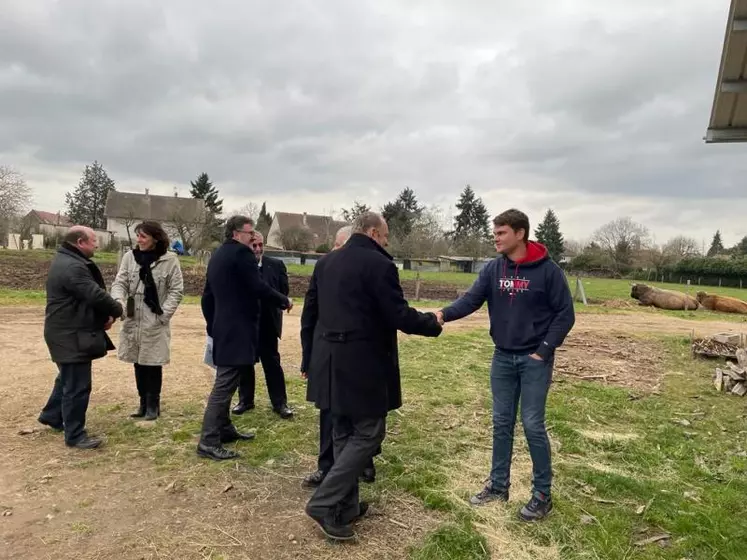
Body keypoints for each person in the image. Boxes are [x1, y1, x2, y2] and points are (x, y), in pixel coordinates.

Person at [303, 212, 442, 541]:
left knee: (342, 432)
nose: (386, 243)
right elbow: (396, 314)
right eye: (385, 237)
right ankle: (324, 502)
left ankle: (345, 507)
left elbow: (316, 313)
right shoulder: (379, 265)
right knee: (369, 432)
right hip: (362, 362)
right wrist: (431, 323)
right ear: (373, 231)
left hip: (331, 360)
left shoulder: (326, 264)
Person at [435, 208, 575, 522]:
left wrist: (543, 351)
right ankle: (498, 486)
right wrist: (443, 314)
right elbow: (471, 300)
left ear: (520, 233)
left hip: (534, 360)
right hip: (502, 357)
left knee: (532, 425)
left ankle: (542, 495)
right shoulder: (493, 269)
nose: (495, 238)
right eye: (495, 232)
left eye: (501, 233)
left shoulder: (549, 272)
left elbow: (565, 315)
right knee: (501, 423)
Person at [197, 216, 293, 461]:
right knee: (224, 385)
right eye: (250, 233)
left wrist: (213, 324)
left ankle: (225, 429)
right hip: (238, 329)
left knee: (228, 379)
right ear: (236, 233)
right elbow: (258, 287)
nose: (253, 237)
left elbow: (207, 297)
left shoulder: (218, 255)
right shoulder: (242, 255)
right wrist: (284, 300)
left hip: (224, 328)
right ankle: (208, 441)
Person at [300, 225, 377, 488]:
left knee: (361, 412)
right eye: (337, 247)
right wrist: (307, 357)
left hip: (358, 354)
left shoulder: (365, 268)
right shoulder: (324, 268)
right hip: (326, 352)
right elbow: (309, 313)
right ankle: (326, 466)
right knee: (328, 413)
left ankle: (362, 463)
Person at [38, 226, 124, 449]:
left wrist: (102, 316)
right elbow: (93, 294)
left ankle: (52, 415)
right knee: (77, 386)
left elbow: (84, 299)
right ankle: (75, 435)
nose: (97, 244)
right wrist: (118, 310)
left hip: (65, 331)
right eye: (94, 240)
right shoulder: (73, 267)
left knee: (67, 378)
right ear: (80, 242)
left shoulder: (67, 260)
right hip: (70, 334)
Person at [111, 221, 184, 421]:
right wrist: (119, 303)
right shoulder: (129, 258)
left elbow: (176, 290)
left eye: (143, 236)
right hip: (134, 318)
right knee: (138, 362)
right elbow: (120, 283)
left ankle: (154, 405)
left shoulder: (170, 260)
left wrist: (163, 315)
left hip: (155, 319)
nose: (139, 240)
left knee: (153, 362)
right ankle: (142, 403)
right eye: (138, 236)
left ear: (155, 238)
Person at [232, 231, 293, 419]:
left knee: (272, 364)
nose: (257, 249)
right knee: (245, 364)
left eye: (260, 245)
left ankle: (280, 403)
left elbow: (283, 291)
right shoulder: (238, 266)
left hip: (268, 323)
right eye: (254, 245)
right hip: (245, 323)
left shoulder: (276, 265)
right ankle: (245, 400)